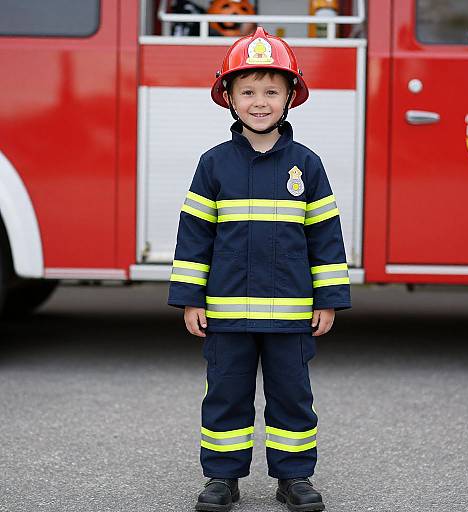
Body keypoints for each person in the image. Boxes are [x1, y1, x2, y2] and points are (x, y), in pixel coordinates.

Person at [168, 26, 351, 512]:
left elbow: (325, 238)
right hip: (226, 316)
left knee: (292, 398)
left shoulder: (307, 166)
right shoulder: (213, 166)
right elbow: (195, 236)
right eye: (247, 90)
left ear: (291, 96)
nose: (260, 101)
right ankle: (221, 480)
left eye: (271, 90)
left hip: (291, 317)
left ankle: (294, 478)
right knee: (226, 397)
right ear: (228, 96)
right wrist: (190, 297)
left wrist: (329, 299)